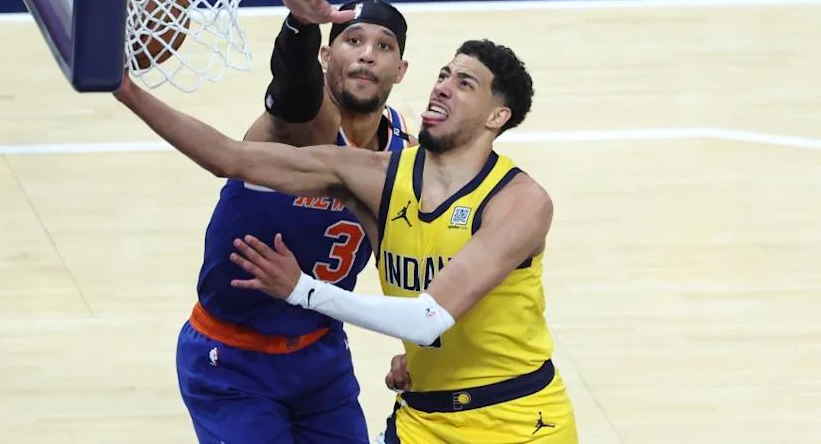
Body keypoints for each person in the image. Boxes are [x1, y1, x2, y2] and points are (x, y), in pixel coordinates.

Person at [114, 37, 577, 443]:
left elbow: (425, 319)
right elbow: (231, 158)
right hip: (422, 419)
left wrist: (303, 290)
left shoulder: (521, 202)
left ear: (498, 115)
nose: (442, 86)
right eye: (444, 74)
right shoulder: (377, 177)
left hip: (517, 421)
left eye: (464, 83)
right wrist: (127, 90)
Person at [171, 0, 415, 444]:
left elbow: (419, 262)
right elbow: (294, 94)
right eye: (353, 40)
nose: (367, 53)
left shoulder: (405, 156)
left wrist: (420, 352)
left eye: (383, 46)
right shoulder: (292, 130)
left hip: (320, 358)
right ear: (327, 56)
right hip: (233, 361)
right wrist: (301, 28)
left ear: (400, 70)